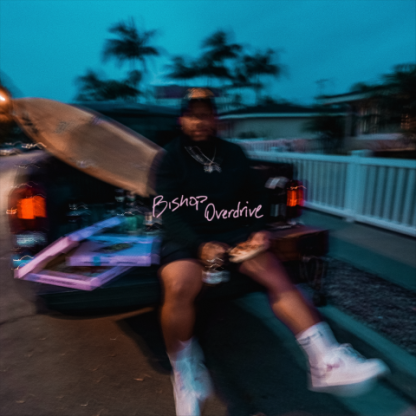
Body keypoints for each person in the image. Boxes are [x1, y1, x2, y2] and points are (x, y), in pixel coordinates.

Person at [155, 88, 388, 416]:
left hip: (233, 234)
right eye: (193, 115)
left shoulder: (233, 153)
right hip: (188, 238)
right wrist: (199, 246)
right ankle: (186, 372)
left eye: (206, 115)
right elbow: (168, 211)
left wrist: (258, 230)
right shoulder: (170, 157)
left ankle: (326, 360)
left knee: (276, 276)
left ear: (216, 119)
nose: (200, 121)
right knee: (180, 284)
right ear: (182, 120)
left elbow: (256, 198)